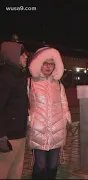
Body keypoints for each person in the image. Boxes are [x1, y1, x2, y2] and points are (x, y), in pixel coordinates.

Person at [28, 47, 72, 179]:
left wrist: (66, 117)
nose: (48, 67)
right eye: (45, 63)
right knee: (40, 165)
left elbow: (64, 103)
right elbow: (23, 103)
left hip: (57, 130)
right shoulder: (30, 83)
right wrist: (30, 118)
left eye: (51, 64)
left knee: (53, 165)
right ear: (38, 64)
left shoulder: (59, 85)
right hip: (38, 130)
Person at [0, 41, 29, 179]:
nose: (26, 56)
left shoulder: (18, 75)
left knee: (15, 173)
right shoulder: (5, 77)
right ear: (12, 55)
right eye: (22, 54)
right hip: (8, 137)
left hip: (19, 134)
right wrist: (1, 136)